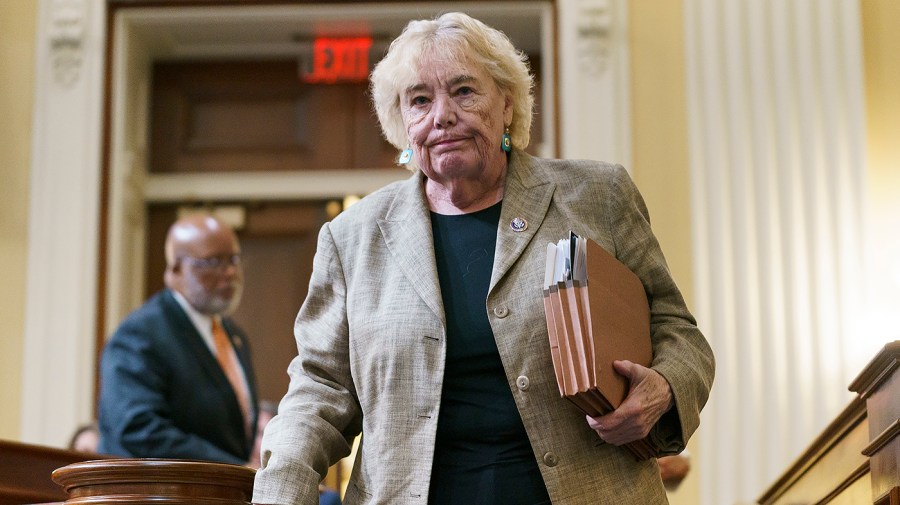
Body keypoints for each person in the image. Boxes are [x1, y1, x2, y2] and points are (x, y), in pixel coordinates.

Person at [252, 12, 714, 505]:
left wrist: (663, 386)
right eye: (420, 100)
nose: (442, 115)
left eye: (464, 91)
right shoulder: (352, 238)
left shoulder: (596, 195)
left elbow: (677, 332)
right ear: (402, 122)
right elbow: (320, 389)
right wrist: (280, 493)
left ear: (507, 102)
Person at [98, 213, 259, 465]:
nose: (229, 272)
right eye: (213, 262)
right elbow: (139, 428)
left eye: (234, 259)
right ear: (175, 269)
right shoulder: (139, 334)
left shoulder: (234, 335)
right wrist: (237, 470)